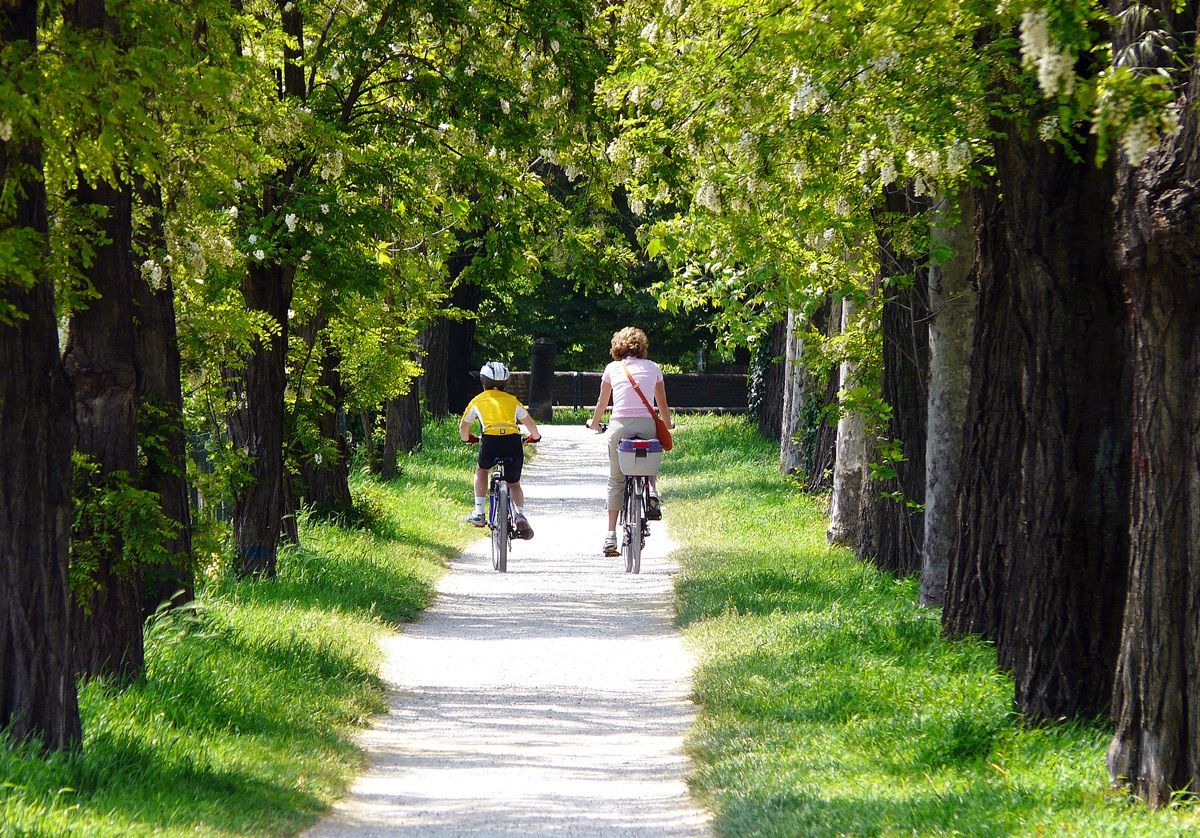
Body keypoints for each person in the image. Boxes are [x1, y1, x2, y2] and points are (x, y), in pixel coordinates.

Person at [586, 327, 673, 557]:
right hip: (646, 425)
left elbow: (602, 403)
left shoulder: (612, 369)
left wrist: (594, 424)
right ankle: (652, 490)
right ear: (642, 347)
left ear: (618, 347)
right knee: (649, 460)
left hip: (620, 428)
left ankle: (610, 536)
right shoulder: (654, 368)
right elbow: (662, 405)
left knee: (616, 480)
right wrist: (669, 424)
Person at [460, 361, 541, 539]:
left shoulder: (478, 401)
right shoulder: (512, 401)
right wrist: (534, 437)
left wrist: (467, 438)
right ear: (505, 384)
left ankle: (479, 513)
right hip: (513, 442)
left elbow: (464, 426)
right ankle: (519, 514)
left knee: (482, 470)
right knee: (514, 483)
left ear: (483, 382)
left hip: (490, 441)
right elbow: (530, 424)